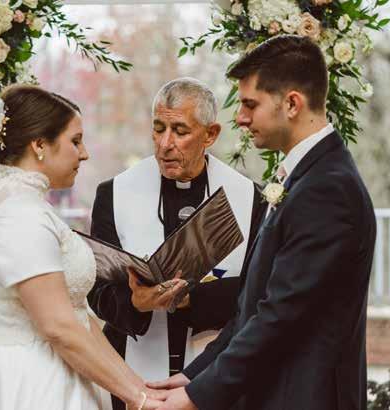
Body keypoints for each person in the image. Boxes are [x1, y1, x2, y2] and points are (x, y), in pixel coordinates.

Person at [151, 35, 377, 410]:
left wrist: (196, 397)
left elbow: (280, 317)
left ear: (292, 104)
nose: (240, 118)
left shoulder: (328, 189)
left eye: (249, 104)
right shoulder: (306, 176)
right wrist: (194, 376)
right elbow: (252, 307)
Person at [0, 85, 166, 410]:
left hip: (60, 373)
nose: (84, 153)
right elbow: (58, 327)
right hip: (28, 385)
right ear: (39, 145)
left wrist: (141, 389)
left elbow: (78, 318)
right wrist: (137, 398)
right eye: (75, 141)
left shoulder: (29, 205)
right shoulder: (17, 213)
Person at [88, 77, 266, 410]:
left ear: (210, 135)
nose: (164, 144)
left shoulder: (250, 198)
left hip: (215, 376)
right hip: (133, 376)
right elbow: (98, 292)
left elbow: (257, 294)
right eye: (158, 129)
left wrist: (188, 299)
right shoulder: (113, 194)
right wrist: (136, 302)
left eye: (180, 131)